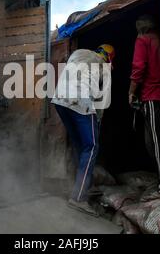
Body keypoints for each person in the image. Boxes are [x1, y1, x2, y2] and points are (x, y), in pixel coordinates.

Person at [52, 44, 115, 217]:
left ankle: (78, 186)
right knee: (92, 146)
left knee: (79, 145)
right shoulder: (104, 66)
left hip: (59, 100)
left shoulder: (79, 52)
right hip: (80, 102)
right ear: (109, 57)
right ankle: (79, 197)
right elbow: (102, 101)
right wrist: (98, 121)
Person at [129, 14, 160, 197]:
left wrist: (131, 92)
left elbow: (138, 68)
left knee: (156, 143)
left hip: (152, 96)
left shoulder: (143, 41)